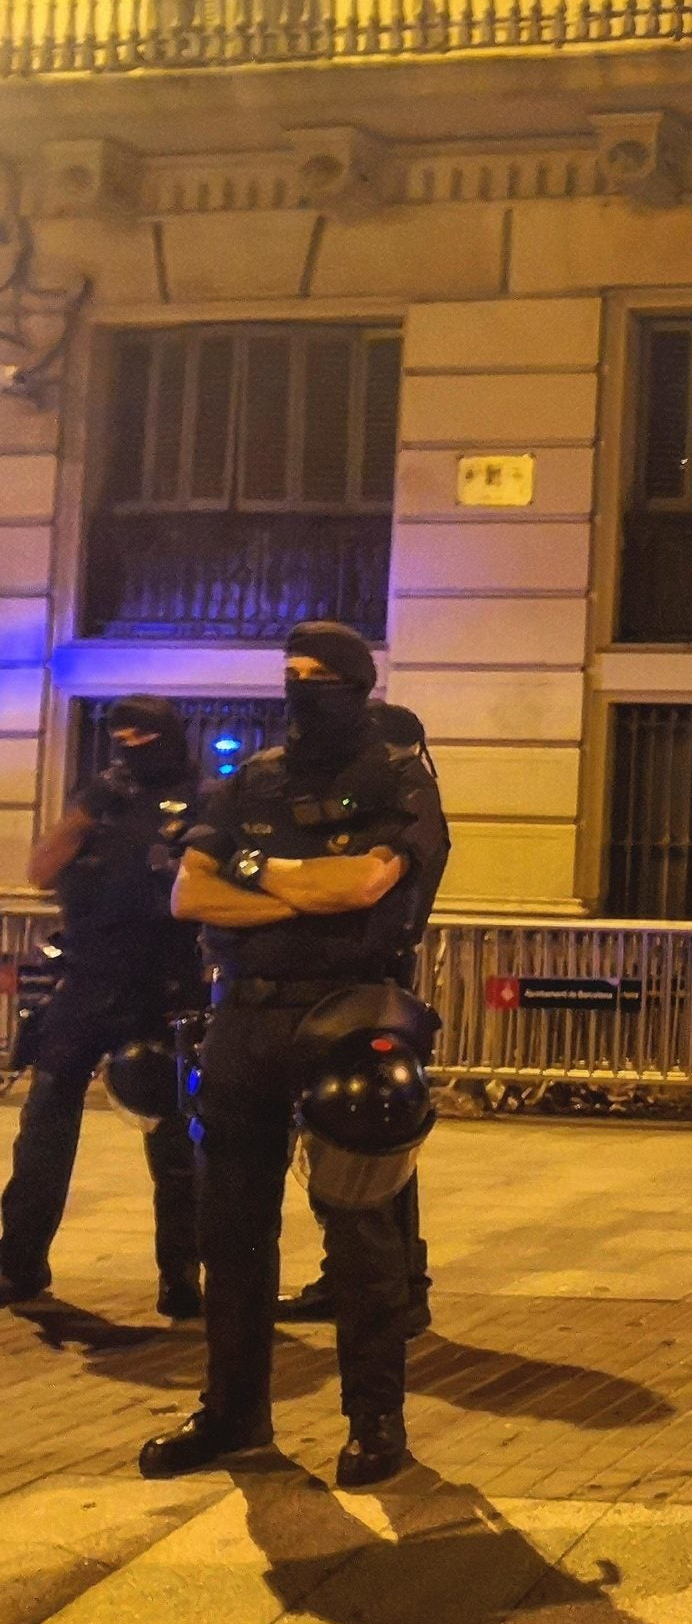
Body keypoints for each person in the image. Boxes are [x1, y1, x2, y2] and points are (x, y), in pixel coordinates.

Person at [139, 623, 450, 1490]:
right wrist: (294, 886)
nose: (301, 688)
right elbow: (190, 893)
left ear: (359, 685)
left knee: (360, 1232)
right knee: (230, 1231)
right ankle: (233, 1411)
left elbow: (361, 886)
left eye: (320, 677)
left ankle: (375, 1422)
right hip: (243, 1019)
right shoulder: (256, 777)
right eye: (292, 674)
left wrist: (255, 876)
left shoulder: (398, 780)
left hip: (349, 1017)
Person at [0, 697, 203, 1317]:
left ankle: (180, 1279)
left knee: (172, 1137)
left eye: (143, 734)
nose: (129, 744)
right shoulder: (104, 794)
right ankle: (19, 1262)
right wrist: (85, 816)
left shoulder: (206, 800)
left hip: (165, 989)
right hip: (88, 982)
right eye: (120, 734)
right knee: (44, 1127)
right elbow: (41, 869)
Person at [275, 702, 438, 1338]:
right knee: (352, 1139)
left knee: (370, 1136)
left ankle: (392, 1289)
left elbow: (358, 889)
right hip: (355, 987)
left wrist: (275, 878)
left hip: (367, 987)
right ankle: (363, 1280)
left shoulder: (404, 802)